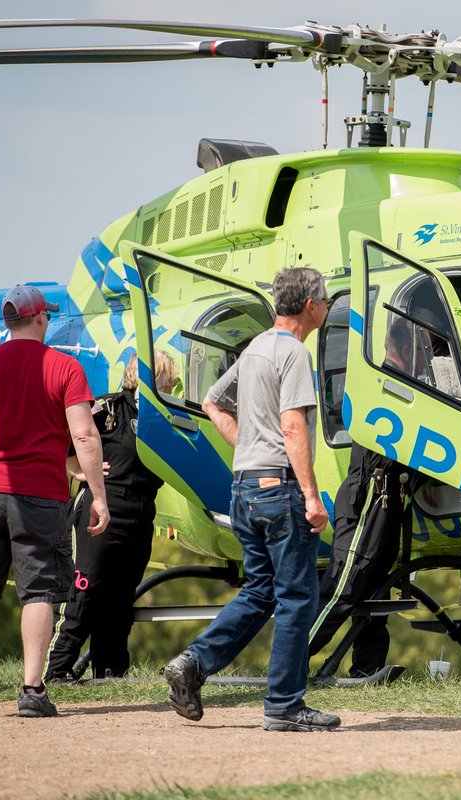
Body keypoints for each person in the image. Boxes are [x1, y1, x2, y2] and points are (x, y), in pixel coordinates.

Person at [163, 267, 340, 733]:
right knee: (298, 598)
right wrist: (311, 495)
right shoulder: (295, 354)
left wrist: (245, 447)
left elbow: (211, 403)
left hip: (244, 487)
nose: (326, 305)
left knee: (260, 590)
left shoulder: (256, 347)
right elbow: (292, 426)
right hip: (280, 489)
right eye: (324, 298)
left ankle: (192, 664)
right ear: (310, 306)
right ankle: (284, 705)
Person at [0, 285, 110, 718]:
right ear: (40, 319)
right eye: (47, 317)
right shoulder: (65, 367)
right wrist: (98, 495)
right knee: (39, 592)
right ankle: (32, 691)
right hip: (40, 495)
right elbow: (85, 436)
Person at [44, 352, 178, 683]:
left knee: (120, 598)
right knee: (84, 590)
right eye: (168, 382)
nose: (171, 388)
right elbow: (57, 439)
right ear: (149, 379)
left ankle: (110, 674)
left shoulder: (166, 420)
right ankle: (55, 671)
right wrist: (77, 469)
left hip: (141, 514)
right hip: (101, 508)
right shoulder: (105, 409)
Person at [308, 321, 423, 682]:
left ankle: (366, 666)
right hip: (369, 500)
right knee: (343, 588)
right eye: (422, 351)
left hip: (387, 502)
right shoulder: (385, 385)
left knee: (375, 592)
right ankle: (289, 662)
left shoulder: (400, 387)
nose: (426, 361)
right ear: (406, 351)